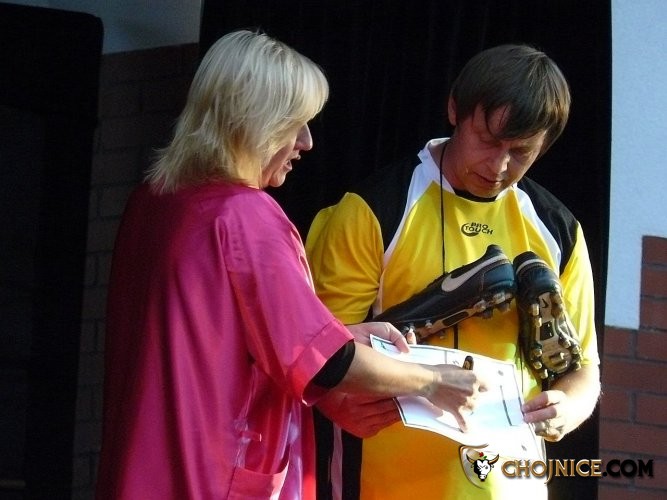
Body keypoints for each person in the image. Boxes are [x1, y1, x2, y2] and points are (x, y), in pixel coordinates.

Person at [95, 30, 488, 500]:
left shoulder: (152, 203)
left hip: (143, 472)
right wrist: (434, 382)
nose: (306, 142)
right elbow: (327, 364)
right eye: (295, 124)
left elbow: (213, 337)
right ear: (254, 123)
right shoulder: (247, 216)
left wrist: (340, 333)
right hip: (209, 479)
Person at [306, 44, 601, 499]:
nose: (499, 165)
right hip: (388, 482)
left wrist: (569, 407)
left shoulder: (559, 229)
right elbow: (314, 349)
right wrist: (334, 402)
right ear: (454, 110)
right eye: (488, 140)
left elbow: (585, 370)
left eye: (521, 151)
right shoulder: (374, 209)